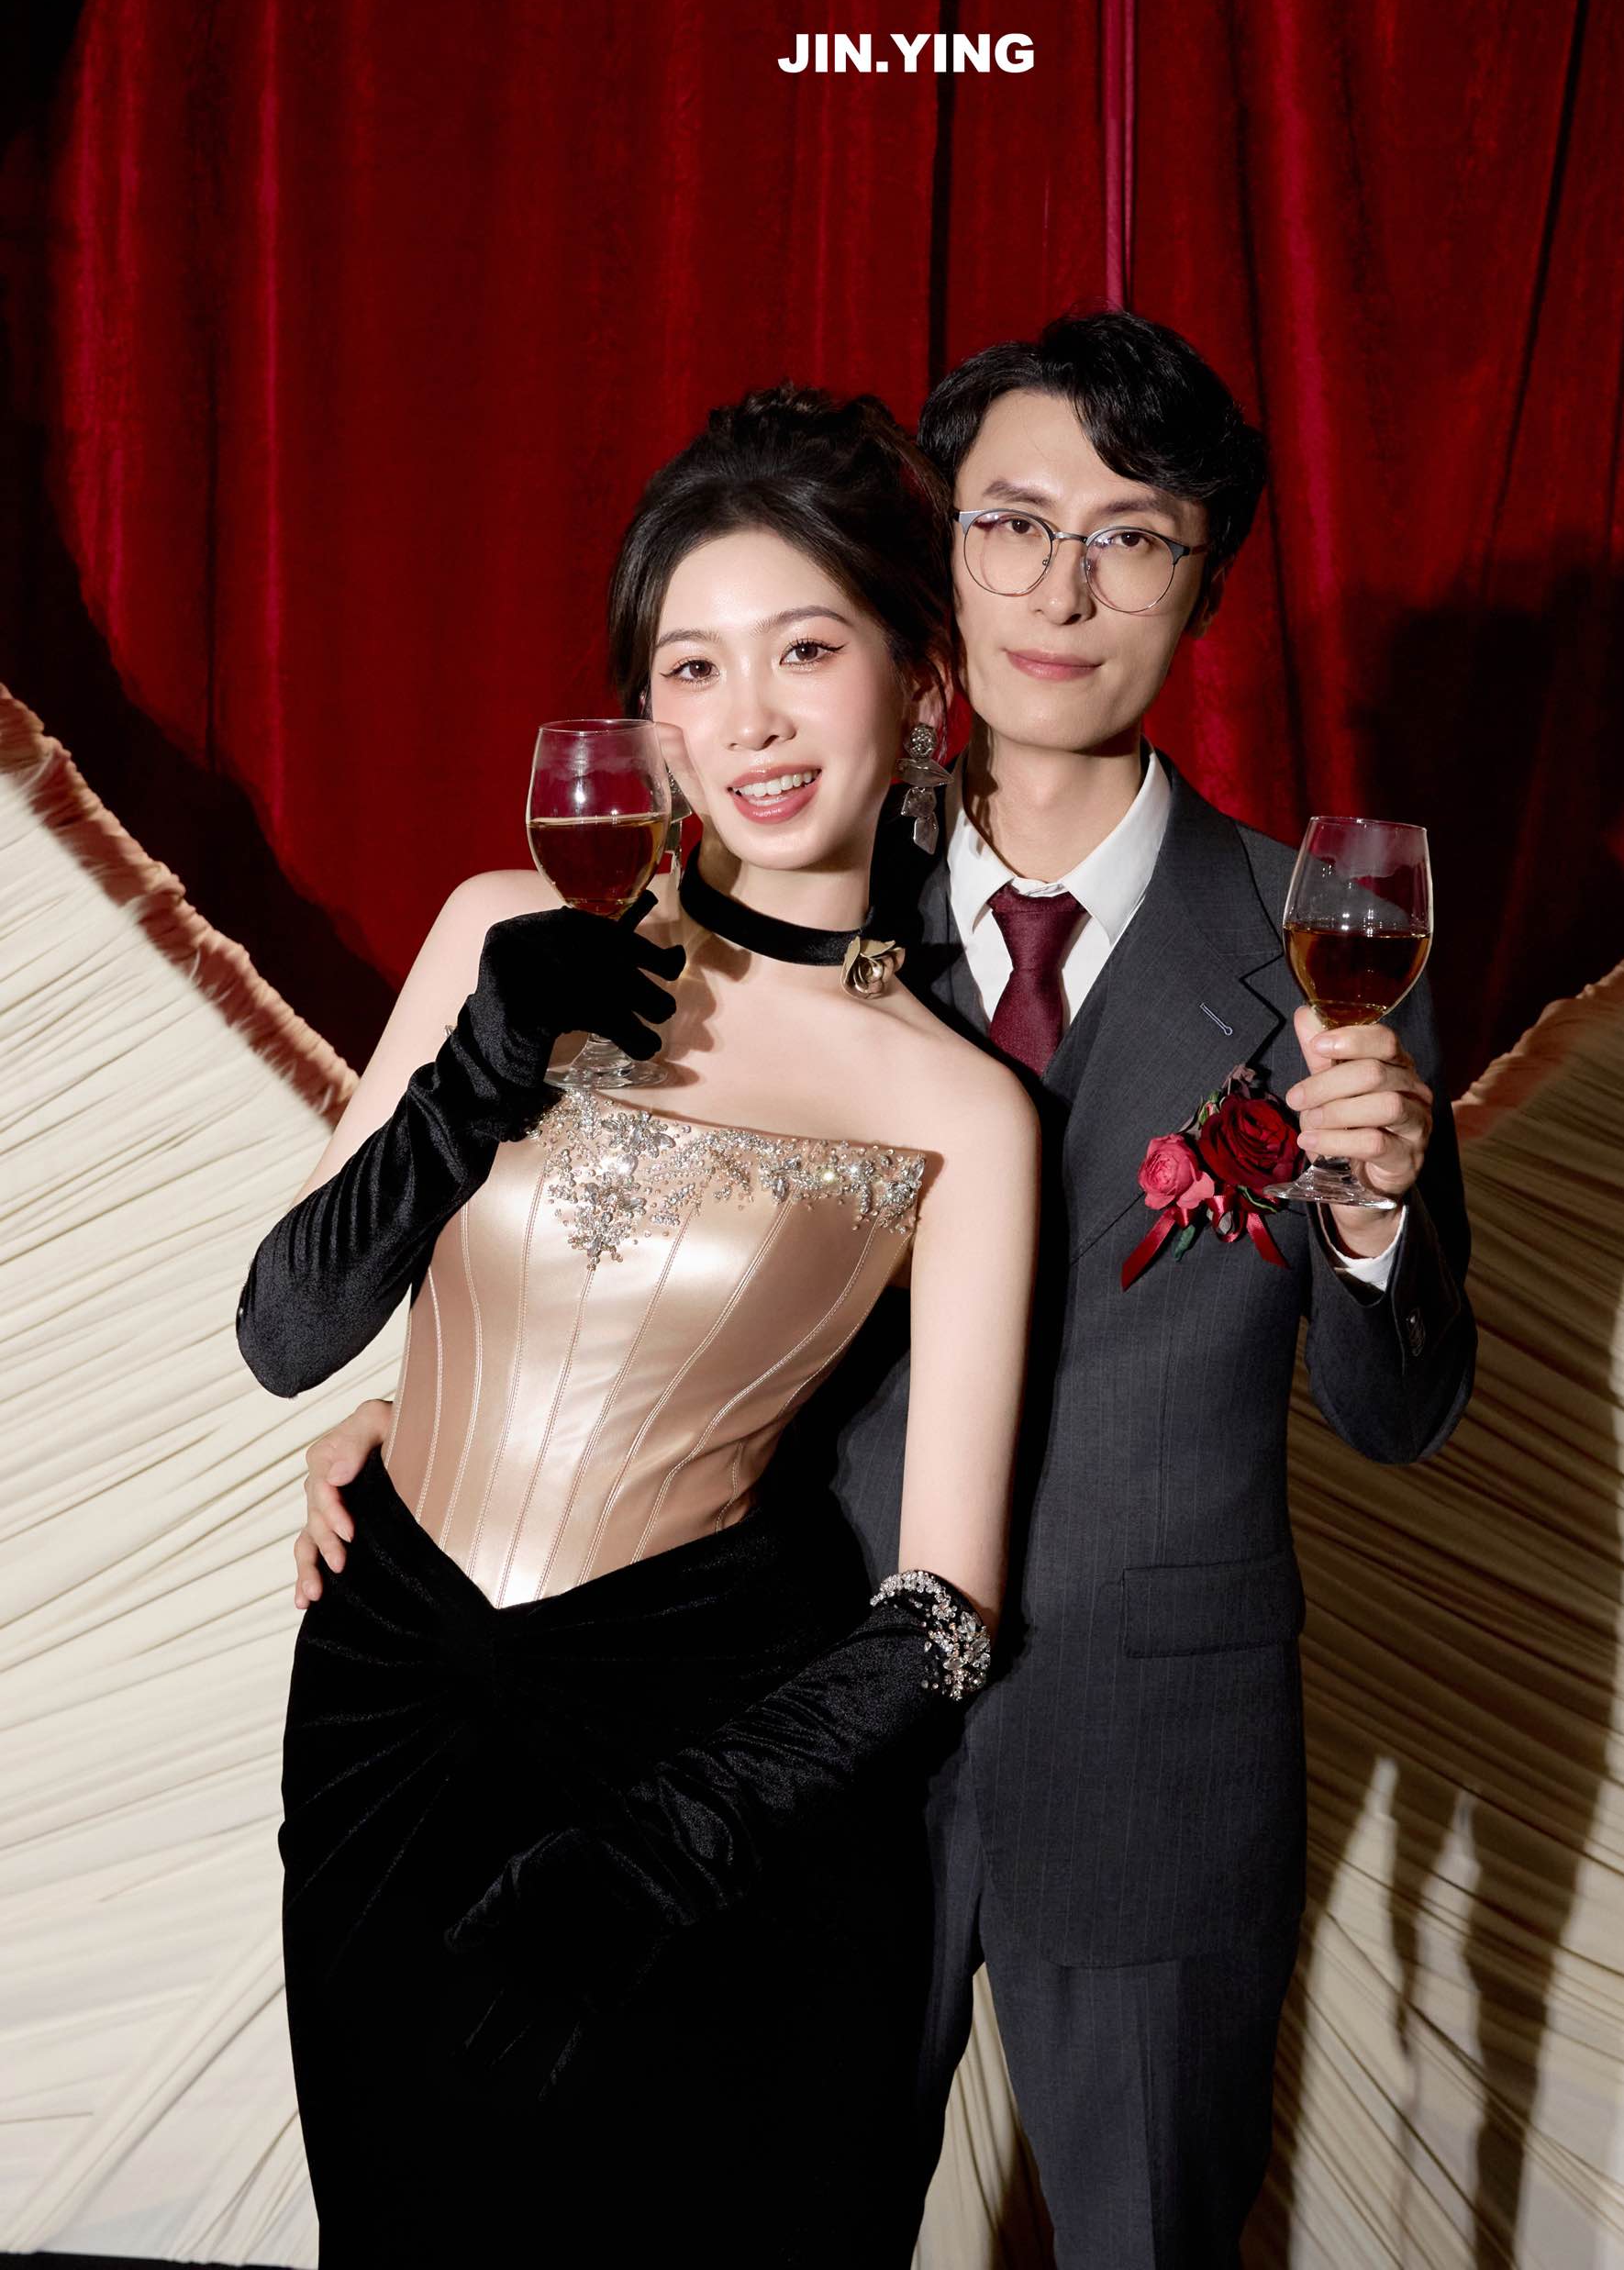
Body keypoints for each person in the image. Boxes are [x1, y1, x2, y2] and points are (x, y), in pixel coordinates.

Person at [296, 311, 1477, 2267]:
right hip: (783, 1744)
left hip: (1143, 1772)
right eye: (1013, 523)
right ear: (942, 563)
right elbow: (624, 1226)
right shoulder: (805, 877)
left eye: (1133, 537)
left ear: (1206, 584)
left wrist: (1374, 1219)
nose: (1062, 589)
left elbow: (1401, 1412)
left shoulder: (1318, 947)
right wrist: (428, 1417)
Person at [236, 384, 1040, 2268]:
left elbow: (945, 1614)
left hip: (696, 1777)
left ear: (924, 687)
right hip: (380, 1711)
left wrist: (657, 1855)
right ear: (647, 717)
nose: (747, 719)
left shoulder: (962, 1108)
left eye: (805, 651)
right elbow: (288, 1334)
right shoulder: (493, 931)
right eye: (694, 666)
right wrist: (476, 1075)